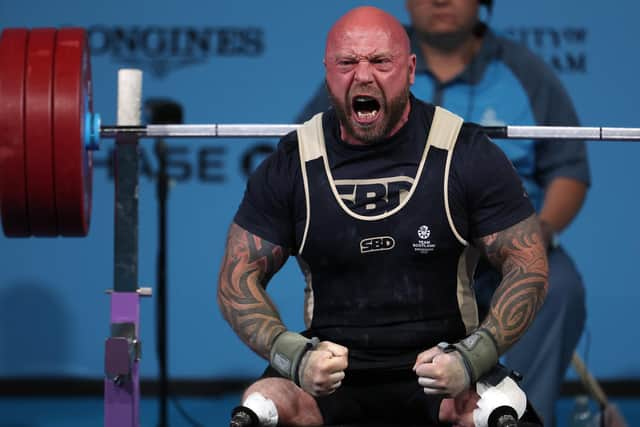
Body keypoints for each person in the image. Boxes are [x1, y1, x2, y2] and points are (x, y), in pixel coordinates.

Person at [218, 6, 548, 427]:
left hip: (442, 372)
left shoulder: (466, 154)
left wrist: (473, 357)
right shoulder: (292, 163)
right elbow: (235, 281)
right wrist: (294, 355)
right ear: (328, 72)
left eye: (380, 61)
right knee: (261, 405)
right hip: (329, 377)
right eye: (347, 63)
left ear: (410, 70)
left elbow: (529, 266)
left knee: (497, 413)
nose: (363, 76)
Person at [296, 1, 590, 425]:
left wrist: (536, 235)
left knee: (556, 285)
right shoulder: (370, 64)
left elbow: (570, 169)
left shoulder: (526, 72)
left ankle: (514, 415)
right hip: (407, 253)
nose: (440, 0)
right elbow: (314, 153)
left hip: (498, 248)